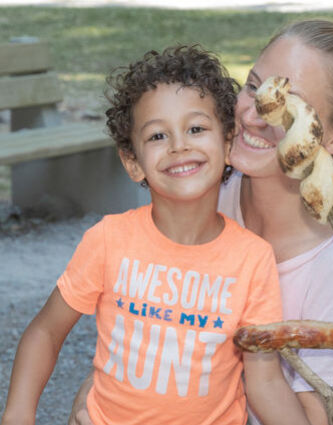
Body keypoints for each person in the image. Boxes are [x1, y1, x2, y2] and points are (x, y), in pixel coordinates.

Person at [69, 19, 333, 425]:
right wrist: (88, 402)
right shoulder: (201, 193)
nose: (254, 115)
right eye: (254, 87)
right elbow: (137, 336)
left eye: (287, 106)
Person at [2, 45, 309, 425]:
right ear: (133, 162)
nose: (180, 145)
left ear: (228, 142)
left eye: (196, 129)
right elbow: (46, 331)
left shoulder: (252, 258)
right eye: (158, 135)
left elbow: (265, 381)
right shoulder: (109, 239)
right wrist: (17, 413)